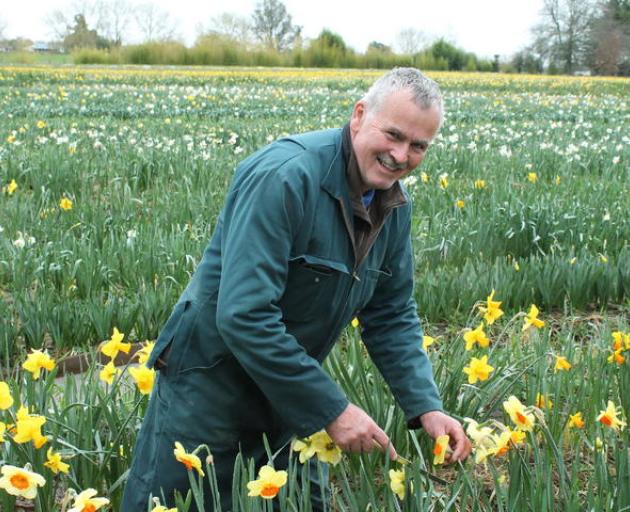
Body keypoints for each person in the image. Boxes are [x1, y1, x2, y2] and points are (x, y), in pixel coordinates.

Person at [121, 67, 471, 511]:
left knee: (302, 501)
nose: (401, 155)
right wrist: (334, 411)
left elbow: (392, 313)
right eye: (394, 135)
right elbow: (244, 314)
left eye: (418, 145)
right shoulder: (285, 177)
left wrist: (427, 406)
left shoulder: (392, 204)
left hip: (288, 387)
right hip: (211, 384)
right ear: (360, 114)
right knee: (182, 503)